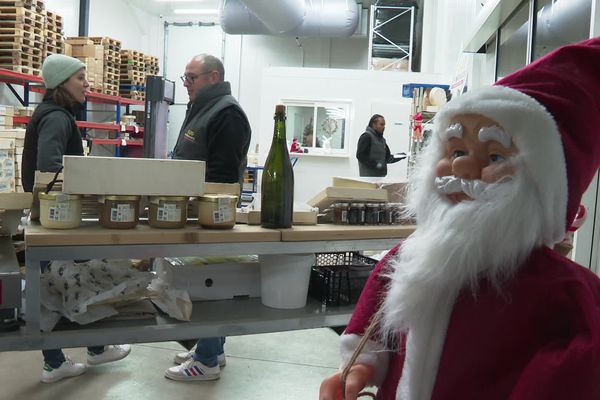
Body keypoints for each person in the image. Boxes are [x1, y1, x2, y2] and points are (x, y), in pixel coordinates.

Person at [320, 37, 600, 400]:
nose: (463, 167)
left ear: (541, 186)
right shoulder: (412, 256)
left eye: (495, 157)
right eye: (456, 150)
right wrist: (359, 368)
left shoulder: (561, 291)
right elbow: (376, 328)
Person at [22, 54, 131, 383]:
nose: (86, 83)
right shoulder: (57, 117)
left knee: (64, 284)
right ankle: (73, 356)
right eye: (80, 77)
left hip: (50, 214)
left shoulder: (54, 113)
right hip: (57, 216)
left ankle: (83, 352)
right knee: (77, 279)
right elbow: (50, 167)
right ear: (61, 83)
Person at [166, 54, 251, 381]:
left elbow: (222, 174)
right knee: (207, 278)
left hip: (209, 212)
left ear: (213, 77)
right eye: (186, 77)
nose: (185, 83)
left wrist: (199, 205)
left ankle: (206, 361)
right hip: (196, 210)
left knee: (208, 281)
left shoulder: (226, 114)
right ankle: (212, 345)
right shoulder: (204, 107)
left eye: (191, 77)